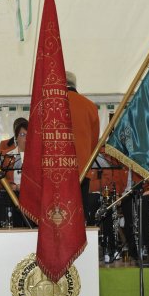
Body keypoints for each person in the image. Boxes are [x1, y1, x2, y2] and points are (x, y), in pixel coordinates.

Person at [66, 71, 100, 207]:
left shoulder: (52, 104)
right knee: (79, 213)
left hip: (58, 169)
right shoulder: (90, 106)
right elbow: (94, 142)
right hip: (82, 169)